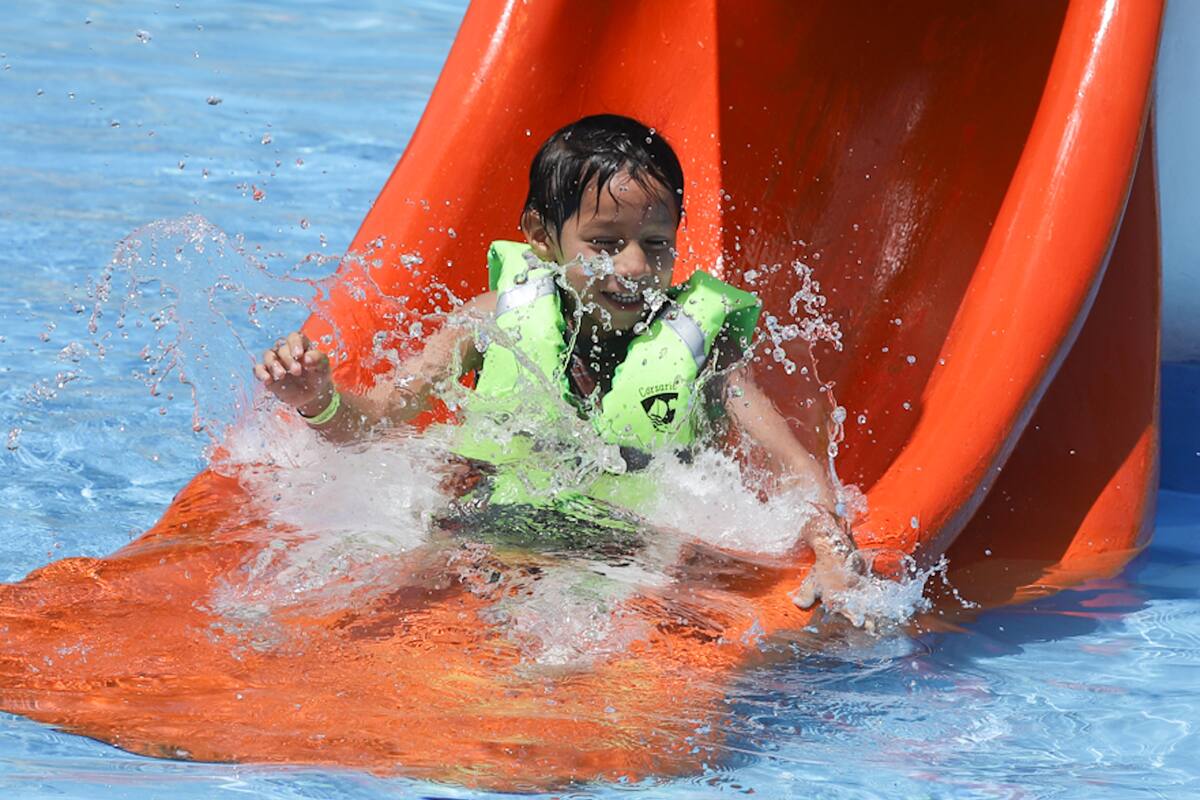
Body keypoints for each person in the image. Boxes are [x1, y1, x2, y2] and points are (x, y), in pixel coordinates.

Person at [253, 114, 865, 618]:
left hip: (630, 548)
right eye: (605, 243)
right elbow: (376, 420)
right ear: (541, 236)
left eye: (655, 244)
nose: (633, 267)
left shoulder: (705, 349)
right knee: (370, 588)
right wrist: (316, 400)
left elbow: (793, 466)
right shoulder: (492, 320)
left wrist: (828, 542)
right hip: (483, 526)